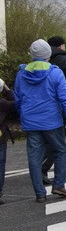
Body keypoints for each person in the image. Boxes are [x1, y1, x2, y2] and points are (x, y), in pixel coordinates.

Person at [13, 40, 66, 202]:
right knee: (60, 151)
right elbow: (65, 99)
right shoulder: (55, 73)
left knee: (34, 158)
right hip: (52, 121)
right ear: (48, 54)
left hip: (30, 122)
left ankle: (39, 193)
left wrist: (23, 116)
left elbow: (18, 99)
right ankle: (59, 185)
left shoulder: (22, 74)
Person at [40, 35, 66, 182]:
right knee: (57, 140)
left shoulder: (43, 60)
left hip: (44, 106)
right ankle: (43, 169)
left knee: (58, 138)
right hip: (62, 106)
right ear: (62, 46)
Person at [0, 76, 14, 205]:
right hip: (0, 137)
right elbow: (15, 102)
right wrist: (8, 90)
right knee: (0, 164)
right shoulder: (3, 104)